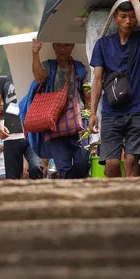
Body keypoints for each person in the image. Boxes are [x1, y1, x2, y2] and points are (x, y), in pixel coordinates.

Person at [89, 0, 140, 178]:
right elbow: (98, 79)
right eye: (123, 17)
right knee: (111, 165)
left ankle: (133, 205)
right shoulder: (102, 44)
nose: (128, 21)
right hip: (111, 112)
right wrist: (93, 113)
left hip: (138, 109)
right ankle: (115, 202)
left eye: (132, 16)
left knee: (132, 162)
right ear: (115, 17)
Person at [31, 39, 90, 179]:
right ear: (53, 46)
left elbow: (88, 95)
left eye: (67, 44)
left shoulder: (80, 68)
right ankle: (73, 196)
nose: (63, 48)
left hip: (79, 122)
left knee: (82, 163)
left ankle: (77, 188)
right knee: (63, 167)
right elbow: (39, 78)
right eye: (59, 45)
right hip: (54, 124)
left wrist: (92, 116)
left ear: (73, 46)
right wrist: (35, 53)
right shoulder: (49, 66)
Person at [0, 75, 44, 179]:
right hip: (11, 136)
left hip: (32, 133)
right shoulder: (3, 80)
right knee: (12, 178)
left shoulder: (34, 75)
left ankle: (38, 194)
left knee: (36, 168)